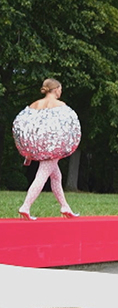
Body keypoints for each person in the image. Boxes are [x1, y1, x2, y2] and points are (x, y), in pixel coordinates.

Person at [14, 78, 81, 220]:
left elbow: (22, 124)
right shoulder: (60, 105)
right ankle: (25, 206)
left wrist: (28, 148)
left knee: (56, 176)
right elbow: (69, 124)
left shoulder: (34, 105)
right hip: (53, 146)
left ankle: (65, 206)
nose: (61, 91)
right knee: (42, 175)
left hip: (39, 146)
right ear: (56, 89)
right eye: (60, 88)